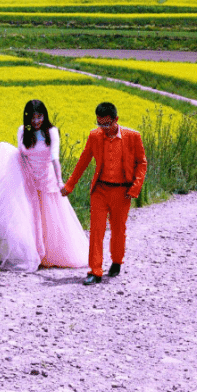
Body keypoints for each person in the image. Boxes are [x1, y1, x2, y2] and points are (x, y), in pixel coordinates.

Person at [0, 100, 89, 272]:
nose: (36, 121)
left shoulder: (51, 132)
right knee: (29, 217)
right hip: (27, 178)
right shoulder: (22, 131)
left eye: (39, 117)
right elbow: (21, 154)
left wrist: (60, 180)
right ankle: (32, 253)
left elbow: (55, 157)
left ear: (44, 116)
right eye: (33, 117)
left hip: (46, 180)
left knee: (50, 219)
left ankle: (51, 254)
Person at [60, 102, 148, 286]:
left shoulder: (133, 137)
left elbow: (142, 163)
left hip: (122, 192)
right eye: (100, 124)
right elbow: (83, 161)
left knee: (118, 230)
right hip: (100, 190)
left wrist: (135, 187)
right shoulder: (94, 136)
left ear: (116, 120)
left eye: (107, 124)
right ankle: (95, 271)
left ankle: (117, 260)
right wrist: (70, 185)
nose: (103, 128)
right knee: (96, 231)